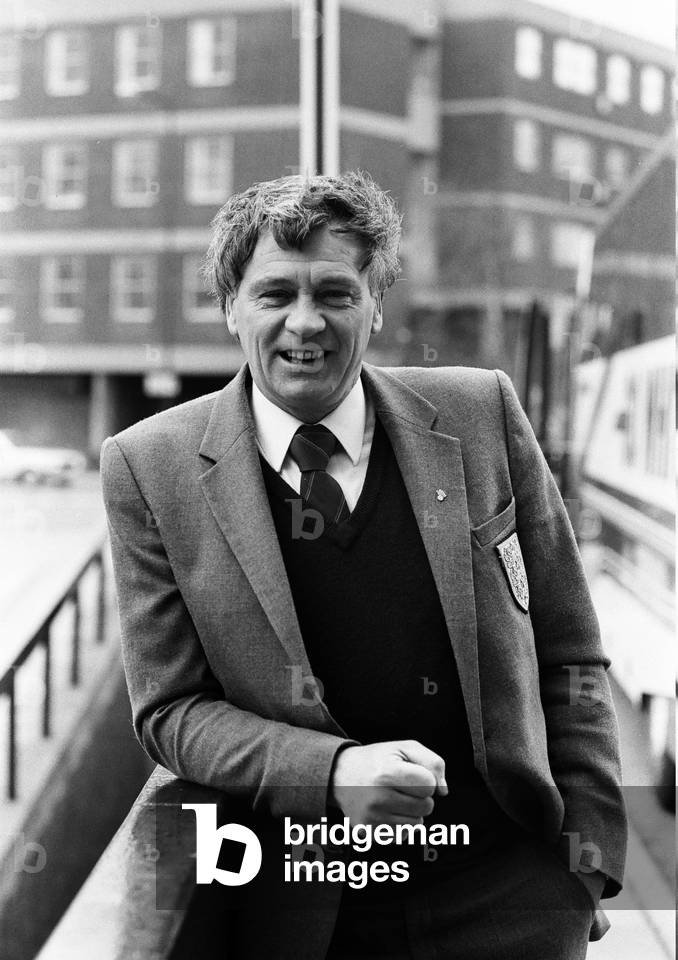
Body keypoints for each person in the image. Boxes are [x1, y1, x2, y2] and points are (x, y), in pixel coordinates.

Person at [101, 171, 626, 959]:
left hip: (507, 900)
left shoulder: (481, 413)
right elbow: (170, 711)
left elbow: (569, 646)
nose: (304, 323)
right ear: (230, 307)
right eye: (275, 294)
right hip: (297, 912)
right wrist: (331, 771)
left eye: (336, 294)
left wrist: (585, 868)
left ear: (376, 305)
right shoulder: (148, 466)